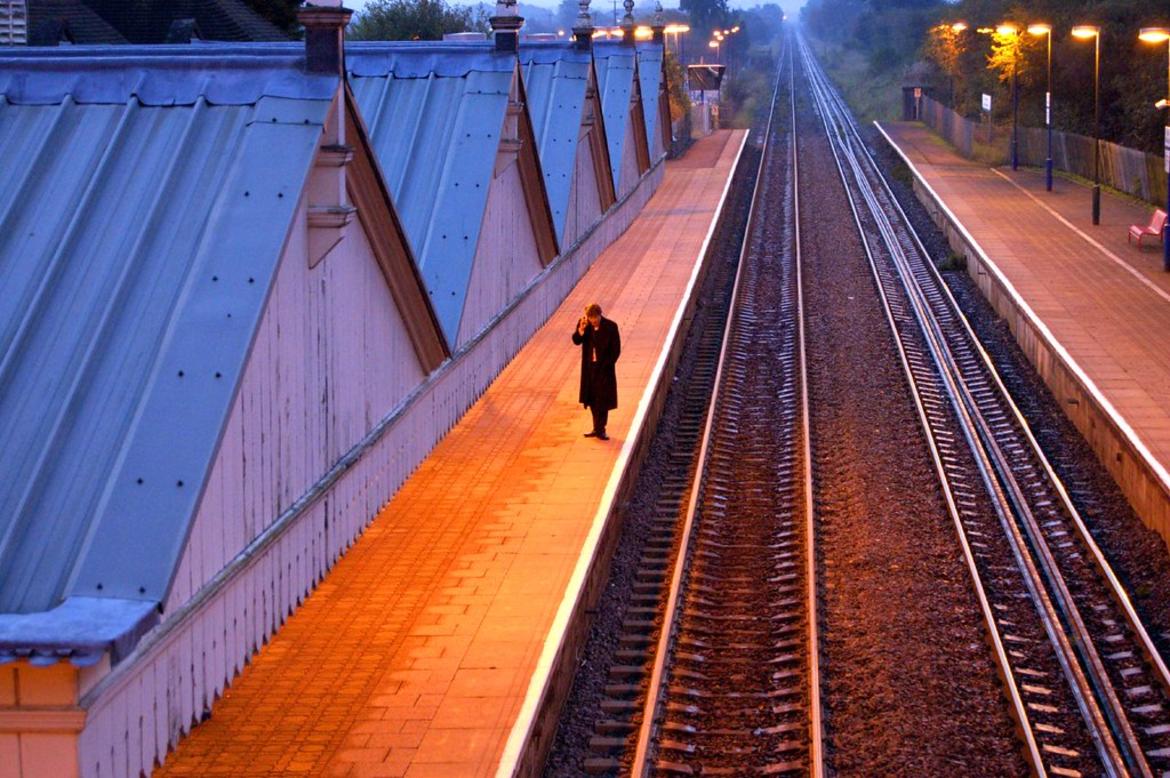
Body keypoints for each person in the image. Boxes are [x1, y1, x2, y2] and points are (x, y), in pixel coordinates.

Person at [572, 303, 621, 440]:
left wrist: (607, 365)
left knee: (603, 400)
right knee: (592, 398)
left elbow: (616, 350)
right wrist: (580, 331)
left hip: (604, 370)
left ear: (600, 315)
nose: (593, 320)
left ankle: (601, 429)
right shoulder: (584, 325)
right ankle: (596, 427)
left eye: (595, 318)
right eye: (590, 318)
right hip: (589, 369)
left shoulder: (611, 327)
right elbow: (576, 341)